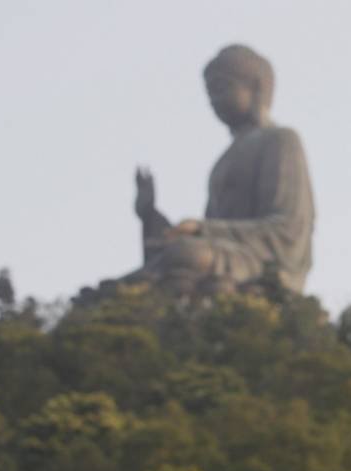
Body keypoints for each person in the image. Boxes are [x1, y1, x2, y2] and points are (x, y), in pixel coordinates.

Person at [129, 44, 315, 294]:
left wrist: (203, 229)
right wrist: (149, 216)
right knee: (160, 263)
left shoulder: (281, 140)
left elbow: (288, 230)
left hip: (260, 260)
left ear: (257, 86)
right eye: (209, 94)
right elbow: (205, 232)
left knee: (187, 255)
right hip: (221, 252)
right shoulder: (224, 160)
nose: (214, 101)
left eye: (221, 89)